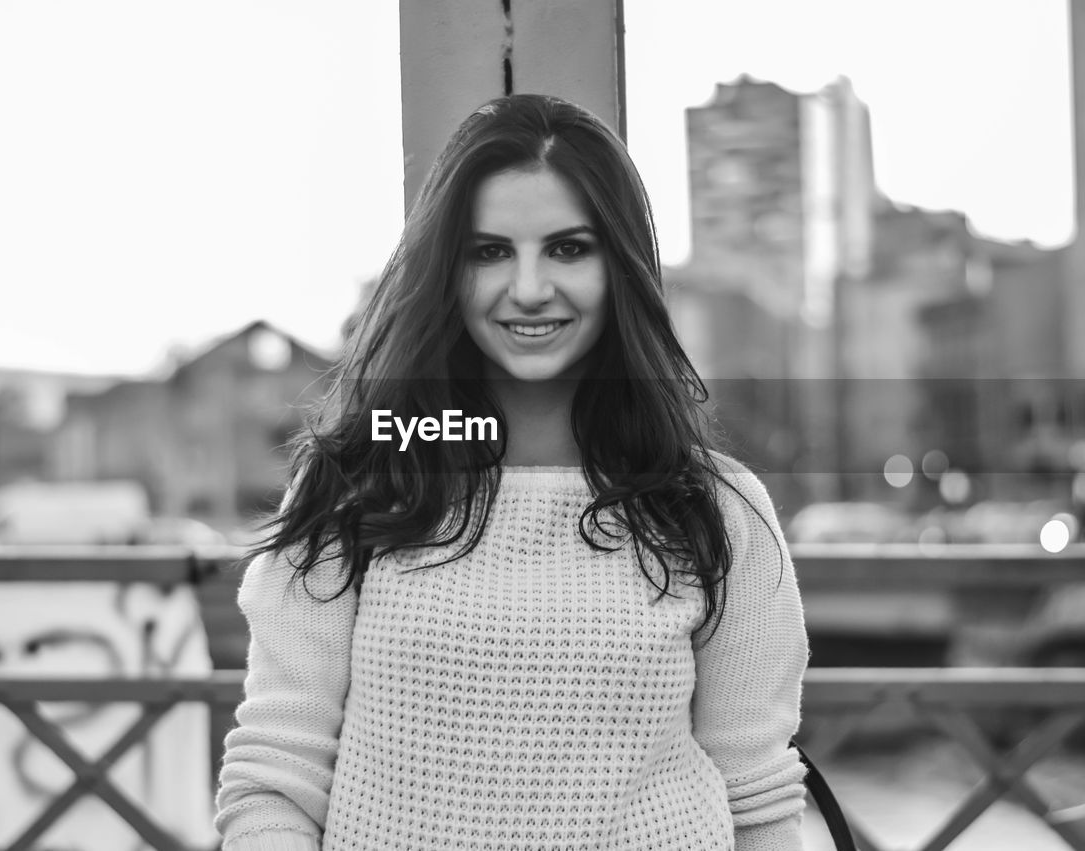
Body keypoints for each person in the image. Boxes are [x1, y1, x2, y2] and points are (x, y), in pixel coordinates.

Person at [214, 94, 809, 851]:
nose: (528, 288)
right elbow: (275, 778)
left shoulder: (717, 508)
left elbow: (756, 800)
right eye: (490, 251)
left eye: (568, 248)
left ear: (620, 264)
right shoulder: (355, 483)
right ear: (445, 268)